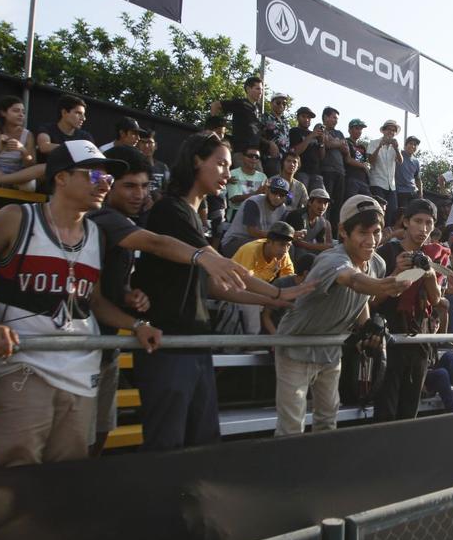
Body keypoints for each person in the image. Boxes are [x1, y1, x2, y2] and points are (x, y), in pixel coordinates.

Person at [0, 140, 162, 467]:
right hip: (24, 367)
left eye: (108, 179)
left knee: (67, 480)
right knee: (17, 476)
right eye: (95, 176)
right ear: (61, 178)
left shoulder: (96, 234)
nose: (104, 184)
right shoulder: (16, 218)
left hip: (81, 373)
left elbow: (93, 302)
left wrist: (136, 324)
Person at [131, 132, 313, 452]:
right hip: (167, 346)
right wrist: (276, 293)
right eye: (221, 165)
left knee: (203, 443)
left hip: (197, 347)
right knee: (166, 448)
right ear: (197, 161)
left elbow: (219, 285)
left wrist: (271, 298)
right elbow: (223, 266)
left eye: (229, 167)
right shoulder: (170, 211)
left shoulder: (195, 217)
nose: (227, 175)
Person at [87, 145, 250, 455]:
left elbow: (111, 287)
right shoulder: (107, 218)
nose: (139, 194)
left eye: (145, 186)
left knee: (96, 439)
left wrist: (127, 295)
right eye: (129, 186)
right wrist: (203, 256)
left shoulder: (124, 224)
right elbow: (156, 244)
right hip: (77, 352)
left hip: (103, 351)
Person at [274, 195, 413, 435]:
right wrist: (384, 286)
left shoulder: (377, 264)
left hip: (330, 349)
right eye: (363, 232)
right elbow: (353, 280)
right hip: (296, 347)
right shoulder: (331, 258)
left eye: (377, 232)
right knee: (291, 427)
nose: (371, 240)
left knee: (328, 420)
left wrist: (368, 324)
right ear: (343, 231)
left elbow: (361, 299)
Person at [373, 198, 447, 422]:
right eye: (418, 221)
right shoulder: (385, 252)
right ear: (405, 222)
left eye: (429, 223)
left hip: (418, 340)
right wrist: (396, 272)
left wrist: (429, 274)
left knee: (410, 411)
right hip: (388, 338)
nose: (423, 229)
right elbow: (372, 302)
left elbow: (435, 300)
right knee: (385, 411)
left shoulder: (431, 258)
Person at [231, 221, 297, 334]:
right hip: (233, 289)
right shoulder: (251, 250)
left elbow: (289, 277)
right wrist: (272, 273)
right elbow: (247, 283)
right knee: (254, 303)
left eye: (288, 245)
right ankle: (254, 342)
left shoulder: (283, 255)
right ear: (269, 242)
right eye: (281, 244)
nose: (285, 249)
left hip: (259, 291)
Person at [0, 95, 43, 190]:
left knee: (33, 181)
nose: (21, 115)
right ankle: (8, 182)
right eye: (16, 111)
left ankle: (1, 181)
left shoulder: (28, 135)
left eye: (23, 112)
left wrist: (23, 150)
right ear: (3, 112)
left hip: (17, 174)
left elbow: (31, 165)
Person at [219, 176, 292, 258]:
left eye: (282, 194)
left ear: (286, 197)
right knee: (264, 246)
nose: (277, 197)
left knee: (287, 247)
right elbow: (252, 231)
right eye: (274, 192)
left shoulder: (283, 209)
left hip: (259, 241)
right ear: (267, 190)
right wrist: (278, 237)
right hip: (233, 242)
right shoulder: (253, 202)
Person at [210, 75, 272, 164]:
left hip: (256, 155)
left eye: (262, 90)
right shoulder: (240, 103)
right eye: (257, 89)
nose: (260, 92)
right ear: (248, 89)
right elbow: (215, 105)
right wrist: (214, 127)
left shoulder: (258, 108)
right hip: (241, 153)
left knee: (260, 178)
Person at [35, 95, 94, 168]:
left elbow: (93, 156)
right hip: (49, 172)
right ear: (64, 113)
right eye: (78, 113)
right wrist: (77, 149)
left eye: (83, 114)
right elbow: (44, 147)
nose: (83, 118)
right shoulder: (47, 128)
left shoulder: (85, 136)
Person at [263, 253, 316, 334]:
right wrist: (276, 339)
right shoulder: (282, 284)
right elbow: (266, 316)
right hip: (280, 333)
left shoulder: (316, 288)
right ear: (306, 273)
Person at [367, 119, 404, 217]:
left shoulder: (395, 145)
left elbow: (400, 161)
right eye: (388, 129)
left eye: (393, 130)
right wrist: (379, 146)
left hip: (391, 185)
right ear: (383, 130)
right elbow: (370, 160)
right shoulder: (374, 142)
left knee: (392, 212)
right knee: (378, 211)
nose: (391, 132)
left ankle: (388, 232)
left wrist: (396, 148)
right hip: (377, 182)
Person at [320, 106, 349, 227]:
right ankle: (323, 228)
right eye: (333, 118)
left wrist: (334, 142)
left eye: (337, 118)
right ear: (326, 117)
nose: (336, 120)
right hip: (327, 170)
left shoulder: (339, 133)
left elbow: (346, 149)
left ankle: (334, 233)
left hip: (340, 172)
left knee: (338, 204)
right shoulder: (320, 129)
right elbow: (326, 143)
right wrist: (338, 143)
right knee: (327, 202)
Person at [287, 188, 334, 259]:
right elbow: (296, 242)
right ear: (309, 202)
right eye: (319, 202)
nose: (322, 206)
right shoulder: (298, 216)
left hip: (306, 249)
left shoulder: (322, 222)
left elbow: (322, 243)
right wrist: (319, 247)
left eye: (325, 203)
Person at [225, 145, 268, 221]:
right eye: (250, 156)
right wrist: (256, 194)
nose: (253, 159)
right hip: (236, 214)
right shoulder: (233, 174)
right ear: (243, 157)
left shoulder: (263, 177)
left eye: (256, 157)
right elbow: (234, 199)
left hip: (256, 214)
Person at [288, 106, 325, 191]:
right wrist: (311, 136)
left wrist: (322, 142)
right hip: (302, 171)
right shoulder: (294, 131)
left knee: (320, 198)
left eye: (309, 117)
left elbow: (322, 157)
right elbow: (296, 151)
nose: (307, 119)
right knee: (300, 200)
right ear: (297, 117)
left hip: (316, 172)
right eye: (303, 116)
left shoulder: (315, 134)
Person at [261, 92, 292, 176]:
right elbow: (257, 135)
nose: (281, 105)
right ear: (271, 103)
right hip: (271, 159)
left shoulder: (285, 121)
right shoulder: (265, 117)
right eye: (278, 102)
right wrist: (270, 143)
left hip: (285, 160)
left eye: (284, 103)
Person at [136, 129, 170, 199]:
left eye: (150, 142)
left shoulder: (163, 167)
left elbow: (168, 190)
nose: (146, 146)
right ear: (137, 145)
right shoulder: (133, 166)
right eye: (143, 142)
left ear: (156, 146)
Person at [344, 118, 371, 197]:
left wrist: (366, 166)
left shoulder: (362, 147)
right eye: (357, 128)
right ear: (349, 130)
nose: (359, 131)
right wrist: (363, 166)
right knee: (352, 204)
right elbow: (348, 159)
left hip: (364, 180)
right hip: (351, 178)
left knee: (367, 204)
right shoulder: (346, 142)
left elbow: (366, 163)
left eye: (361, 129)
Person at [395, 135, 422, 209]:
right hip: (400, 191)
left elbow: (418, 178)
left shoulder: (416, 161)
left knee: (415, 214)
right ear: (405, 145)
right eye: (410, 143)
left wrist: (420, 193)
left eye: (415, 145)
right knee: (403, 214)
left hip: (413, 191)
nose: (413, 146)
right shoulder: (398, 154)